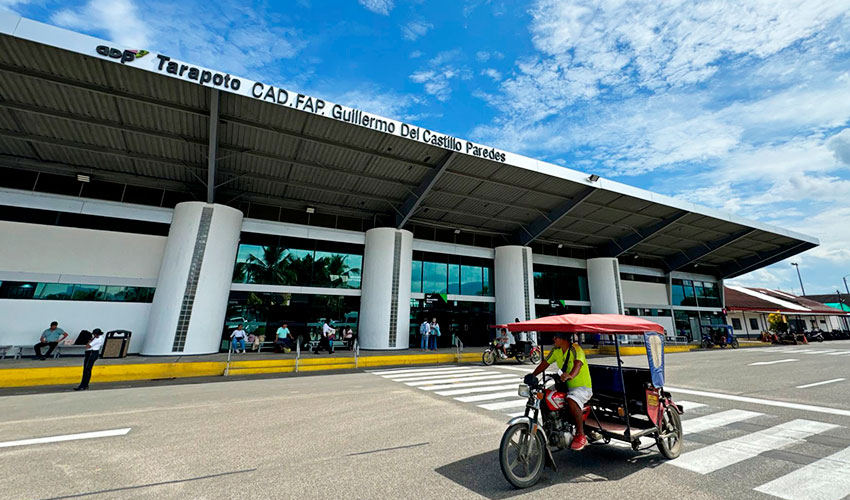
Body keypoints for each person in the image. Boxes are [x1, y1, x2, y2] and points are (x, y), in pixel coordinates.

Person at [525, 331, 593, 451]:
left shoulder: (576, 349)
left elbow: (578, 365)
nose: (554, 339)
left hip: (582, 387)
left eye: (556, 337)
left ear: (564, 339)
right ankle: (550, 427)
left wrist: (570, 375)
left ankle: (580, 434)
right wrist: (533, 375)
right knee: (545, 396)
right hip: (564, 386)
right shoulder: (556, 350)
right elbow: (545, 363)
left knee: (572, 399)